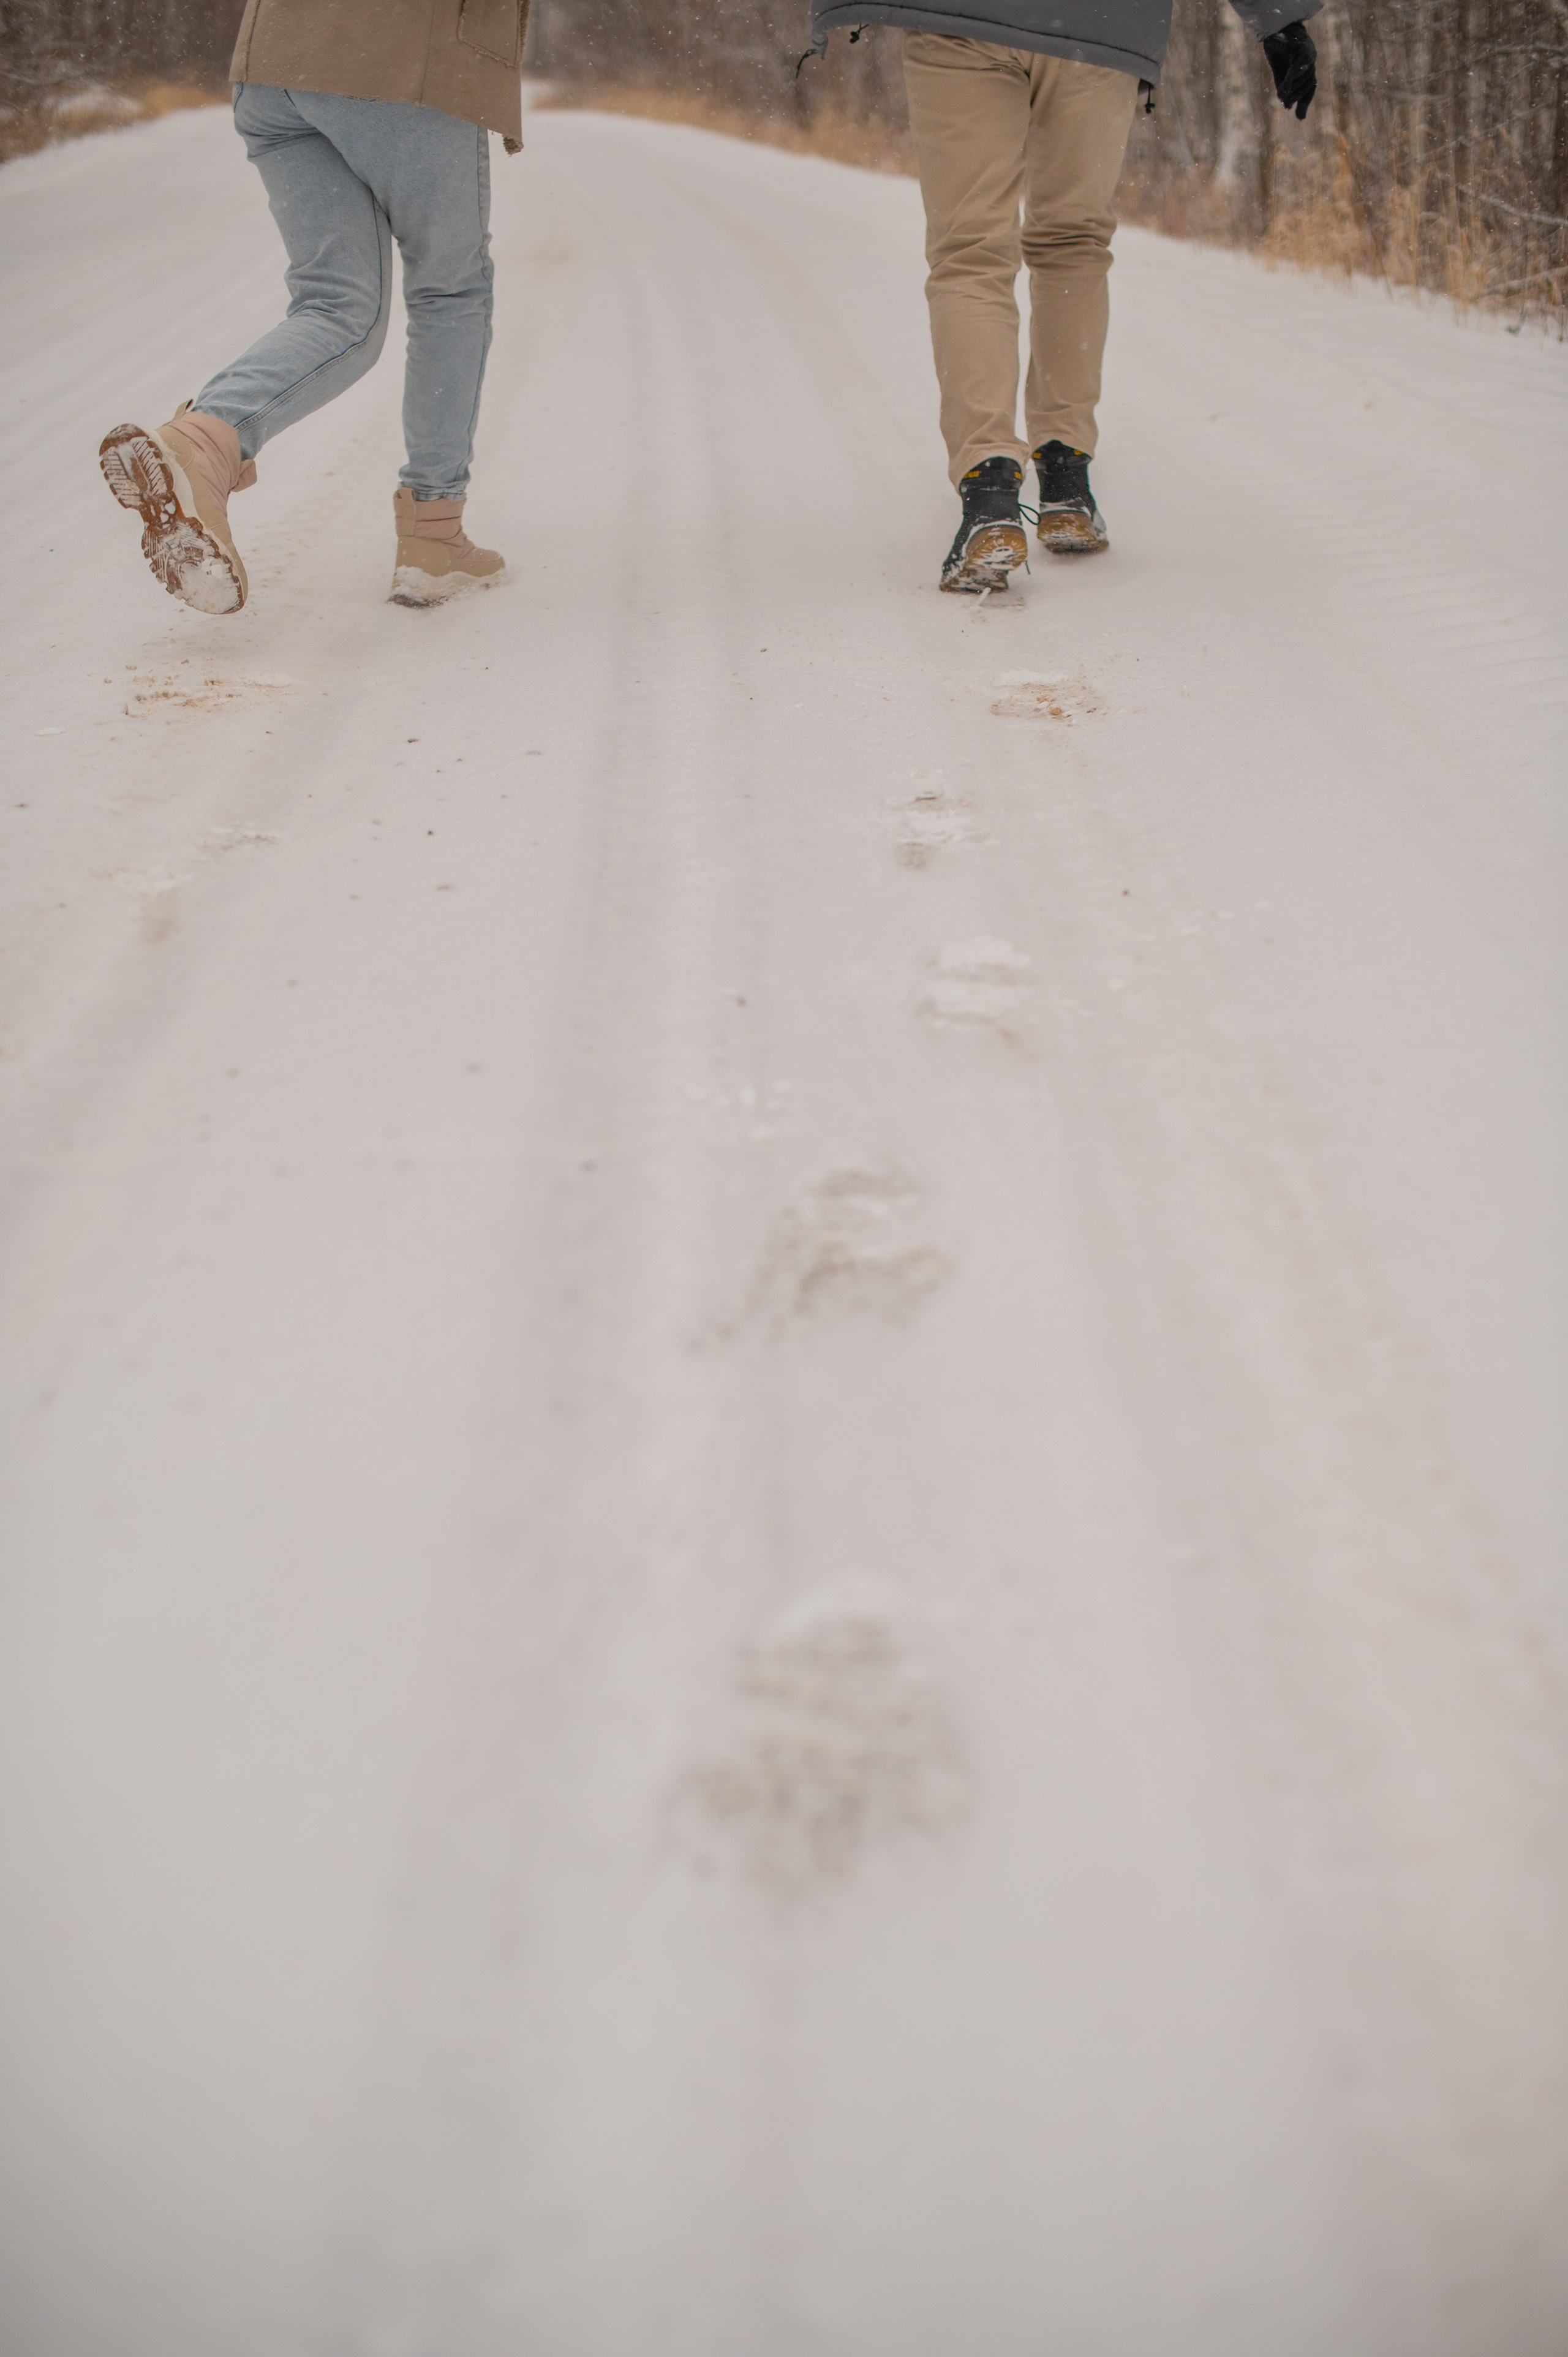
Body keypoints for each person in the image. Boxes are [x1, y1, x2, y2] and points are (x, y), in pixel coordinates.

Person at [809, 0, 1320, 592]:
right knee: (1072, 241)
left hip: (961, 20)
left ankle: (990, 492)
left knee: (970, 253)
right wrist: (1279, 19)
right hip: (1098, 26)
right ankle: (1066, 478)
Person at [98, 0, 530, 614]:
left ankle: (205, 439)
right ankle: (435, 535)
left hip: (275, 61)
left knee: (337, 303)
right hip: (402, 64)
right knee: (449, 289)